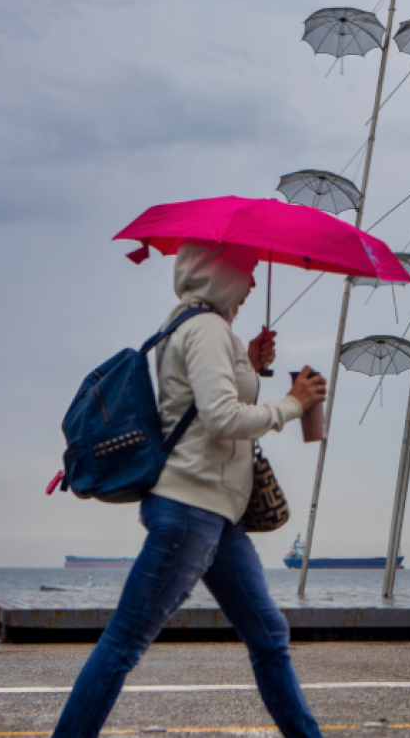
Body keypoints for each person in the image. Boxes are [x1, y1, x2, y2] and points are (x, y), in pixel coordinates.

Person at [52, 240, 328, 738]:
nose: (252, 284)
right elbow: (222, 418)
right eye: (247, 270)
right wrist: (292, 402)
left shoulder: (192, 324)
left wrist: (248, 361)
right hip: (189, 511)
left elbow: (201, 404)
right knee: (123, 643)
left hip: (215, 515)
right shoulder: (205, 329)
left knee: (268, 636)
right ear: (219, 273)